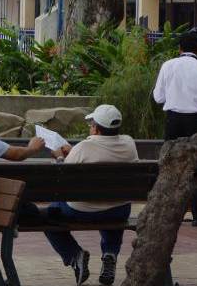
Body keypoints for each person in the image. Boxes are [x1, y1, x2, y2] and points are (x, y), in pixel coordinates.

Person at [34, 105, 139, 286]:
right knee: (110, 202)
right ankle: (110, 254)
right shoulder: (129, 144)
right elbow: (101, 152)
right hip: (118, 210)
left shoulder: (84, 147)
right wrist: (73, 151)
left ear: (97, 129)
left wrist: (60, 157)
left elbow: (63, 177)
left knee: (46, 216)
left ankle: (75, 255)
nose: (90, 127)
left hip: (80, 211)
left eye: (91, 124)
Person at [153, 31, 197, 227]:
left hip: (173, 120)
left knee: (170, 166)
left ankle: (166, 214)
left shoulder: (168, 66)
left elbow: (158, 97)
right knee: (196, 168)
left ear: (180, 49)